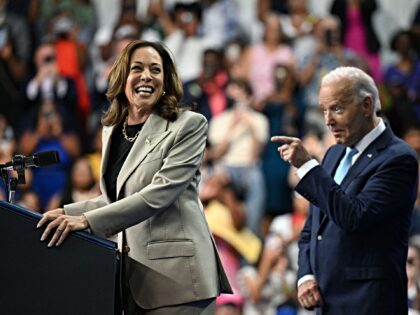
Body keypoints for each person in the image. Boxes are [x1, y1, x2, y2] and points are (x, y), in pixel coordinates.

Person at [37, 40, 232, 314]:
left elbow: (158, 194)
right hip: (135, 283)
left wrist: (86, 220)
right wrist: (63, 213)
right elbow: (116, 198)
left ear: (165, 81)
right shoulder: (112, 129)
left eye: (156, 70)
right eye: (137, 68)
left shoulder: (188, 125)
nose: (146, 76)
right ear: (122, 78)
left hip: (180, 282)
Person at [271, 66, 419, 314]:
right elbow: (312, 227)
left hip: (369, 303)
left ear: (366, 105)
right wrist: (306, 275)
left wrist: (308, 166)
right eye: (324, 110)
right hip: (326, 302)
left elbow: (354, 217)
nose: (328, 120)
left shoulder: (399, 158)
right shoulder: (334, 153)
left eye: (337, 108)